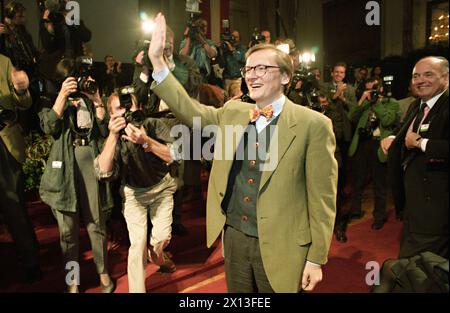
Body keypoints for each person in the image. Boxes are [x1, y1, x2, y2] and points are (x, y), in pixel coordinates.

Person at [147, 13, 337, 293]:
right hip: (235, 237)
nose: (252, 75)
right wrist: (158, 63)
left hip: (282, 243)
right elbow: (190, 111)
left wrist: (316, 258)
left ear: (285, 76)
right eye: (248, 69)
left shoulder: (314, 125)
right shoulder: (233, 111)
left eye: (262, 68)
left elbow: (322, 200)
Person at [38, 58, 114, 293]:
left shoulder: (88, 97)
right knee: (68, 230)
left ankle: (103, 272)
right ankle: (73, 279)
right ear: (62, 80)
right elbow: (49, 127)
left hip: (89, 160)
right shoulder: (50, 100)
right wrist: (62, 96)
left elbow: (103, 130)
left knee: (96, 222)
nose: (78, 82)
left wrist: (98, 101)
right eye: (72, 77)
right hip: (65, 167)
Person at [95, 92, 178, 293]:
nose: (126, 113)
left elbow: (173, 156)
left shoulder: (152, 125)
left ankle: (157, 255)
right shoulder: (111, 137)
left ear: (138, 107)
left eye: (129, 107)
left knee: (161, 239)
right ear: (111, 114)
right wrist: (113, 136)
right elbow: (103, 171)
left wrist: (145, 141)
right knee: (137, 245)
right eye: (119, 109)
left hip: (162, 188)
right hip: (133, 195)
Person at [381, 56, 449, 259]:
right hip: (414, 207)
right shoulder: (417, 105)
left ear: (446, 78)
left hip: (437, 211)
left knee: (416, 272)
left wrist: (421, 143)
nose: (420, 80)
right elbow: (406, 132)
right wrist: (393, 138)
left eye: (429, 74)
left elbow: (419, 140)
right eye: (416, 76)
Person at [0, 53, 42, 283]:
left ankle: (30, 260)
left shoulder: (4, 62)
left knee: (13, 206)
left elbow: (24, 102)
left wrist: (20, 88)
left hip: (4, 141)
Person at [347, 78, 400, 230]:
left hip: (378, 144)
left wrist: (376, 103)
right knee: (358, 180)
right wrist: (362, 100)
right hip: (363, 143)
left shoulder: (392, 103)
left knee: (379, 183)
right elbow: (351, 117)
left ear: (382, 89)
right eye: (371, 90)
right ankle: (355, 210)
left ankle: (379, 216)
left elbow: (388, 120)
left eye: (376, 89)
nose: (374, 92)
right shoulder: (366, 103)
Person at [180, 18, 217, 84]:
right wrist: (189, 37)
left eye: (205, 26)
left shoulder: (209, 42)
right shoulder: (186, 42)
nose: (204, 28)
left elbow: (212, 54)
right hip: (189, 75)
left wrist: (201, 40)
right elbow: (182, 56)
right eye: (201, 26)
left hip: (203, 75)